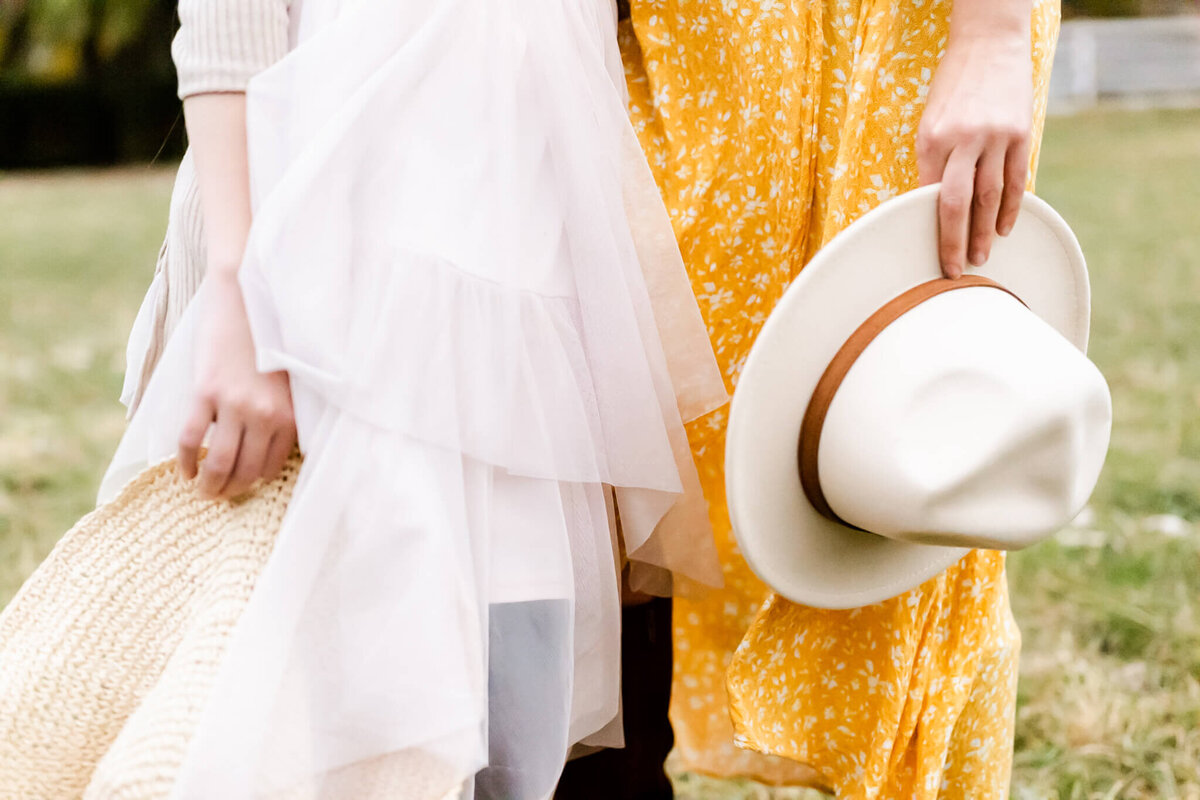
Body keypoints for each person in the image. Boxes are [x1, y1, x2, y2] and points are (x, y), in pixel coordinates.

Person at [0, 1, 728, 798]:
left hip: (527, 251)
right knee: (317, 698)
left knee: (498, 692)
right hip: (337, 235)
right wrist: (241, 294)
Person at [617, 0, 1061, 796]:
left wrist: (992, 31)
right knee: (635, 408)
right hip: (709, 29)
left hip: (902, 23)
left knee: (903, 382)